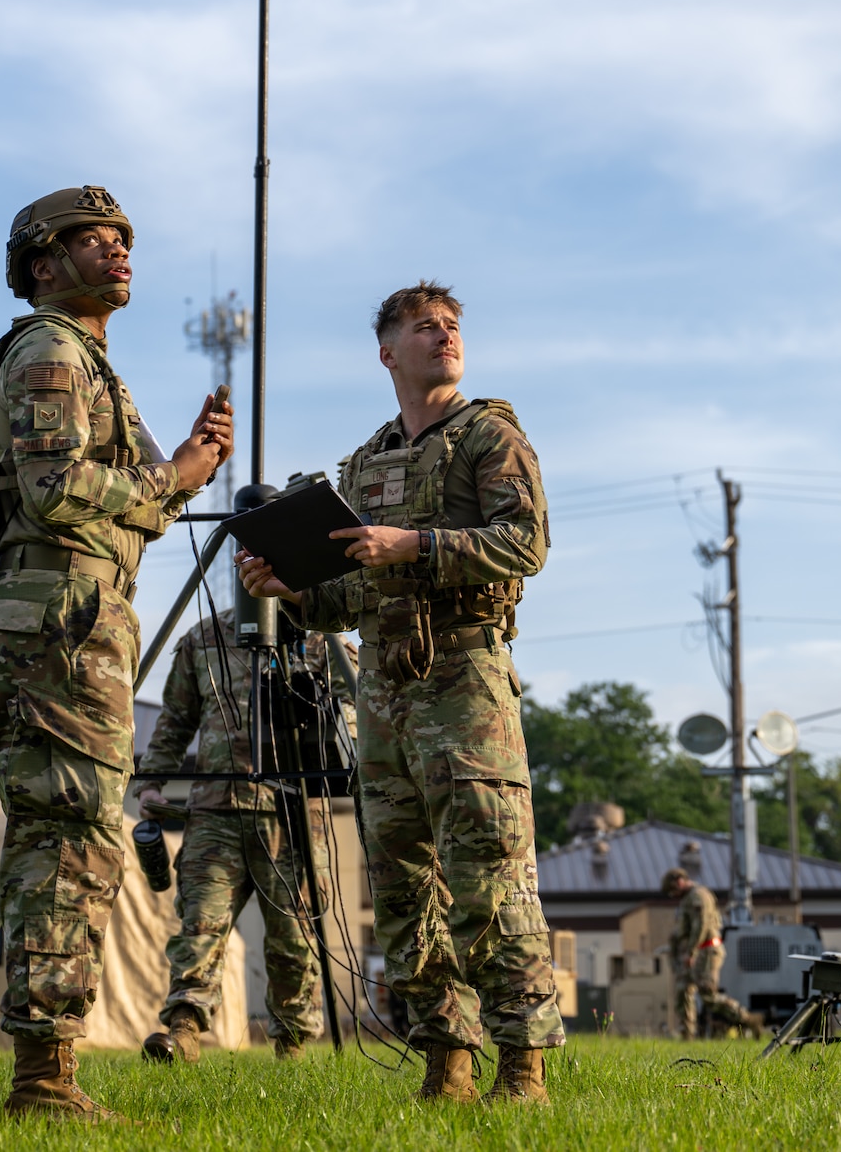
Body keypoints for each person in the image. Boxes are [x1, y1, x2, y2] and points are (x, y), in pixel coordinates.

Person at [239, 281, 560, 1104]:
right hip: (381, 693)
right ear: (388, 352)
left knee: (489, 874)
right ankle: (445, 1058)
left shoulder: (491, 434)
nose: (444, 334)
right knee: (401, 888)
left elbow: (525, 544)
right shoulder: (366, 462)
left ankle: (523, 1065)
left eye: (452, 325)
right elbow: (350, 594)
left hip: (466, 685)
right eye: (425, 327)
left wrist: (413, 543)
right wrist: (292, 589)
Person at [0, 186, 231, 1120]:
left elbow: (142, 506)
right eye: (95, 239)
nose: (119, 251)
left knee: (75, 833)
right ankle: (42, 1078)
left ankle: (48, 1070)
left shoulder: (90, 362)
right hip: (56, 613)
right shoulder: (48, 350)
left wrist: (186, 471)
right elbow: (54, 490)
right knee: (63, 834)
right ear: (44, 263)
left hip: (79, 610)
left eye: (124, 239)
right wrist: (175, 477)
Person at [136, 609, 347, 1064]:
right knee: (200, 927)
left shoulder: (319, 640)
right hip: (216, 811)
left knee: (294, 940)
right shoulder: (204, 638)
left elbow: (352, 722)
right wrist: (151, 782)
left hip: (292, 815)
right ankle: (184, 1030)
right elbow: (175, 718)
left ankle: (291, 1048)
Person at [660, 867, 763, 1040]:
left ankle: (749, 1019)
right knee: (682, 990)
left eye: (674, 891)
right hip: (696, 952)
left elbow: (701, 926)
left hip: (706, 951)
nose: (674, 895)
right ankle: (687, 1035)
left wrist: (691, 952)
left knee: (709, 996)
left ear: (679, 881)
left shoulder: (699, 896)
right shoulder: (688, 899)